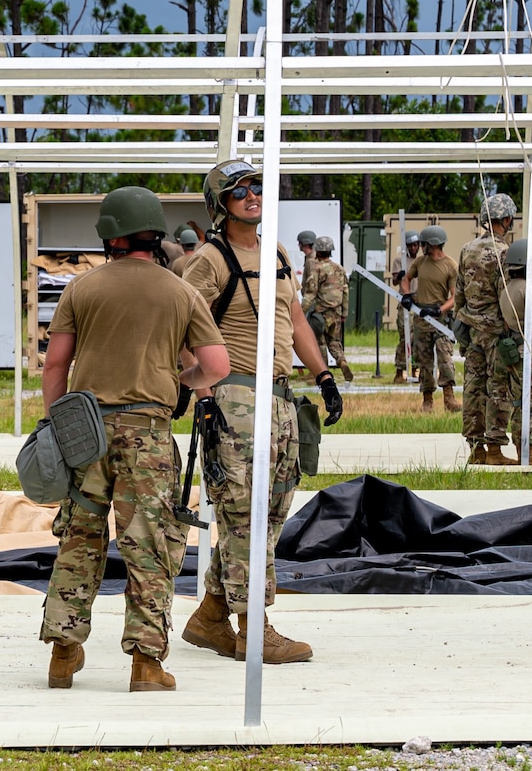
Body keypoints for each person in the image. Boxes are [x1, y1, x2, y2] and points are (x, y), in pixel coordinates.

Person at [39, 186, 230, 693]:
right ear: (156, 234)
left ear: (109, 235)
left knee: (79, 536)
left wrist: (54, 424)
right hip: (148, 433)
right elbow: (216, 367)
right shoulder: (180, 291)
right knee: (149, 546)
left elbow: (56, 364)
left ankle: (63, 652)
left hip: (86, 433)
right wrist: (178, 381)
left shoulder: (81, 289)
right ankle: (146, 664)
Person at [181, 159, 343, 665]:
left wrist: (323, 375)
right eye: (240, 190)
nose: (253, 196)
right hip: (233, 397)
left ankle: (210, 615)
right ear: (219, 204)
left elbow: (293, 318)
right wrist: (200, 392)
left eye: (257, 187)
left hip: (277, 398)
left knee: (270, 514)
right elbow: (182, 324)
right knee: (242, 515)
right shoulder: (209, 260)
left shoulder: (273, 252)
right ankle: (255, 628)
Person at [453, 194, 519, 465]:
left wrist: (462, 322)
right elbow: (506, 296)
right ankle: (493, 449)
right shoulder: (504, 252)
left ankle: (475, 448)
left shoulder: (467, 248)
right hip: (495, 331)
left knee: (473, 388)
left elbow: (459, 290)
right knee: (498, 387)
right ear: (506, 219)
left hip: (471, 328)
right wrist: (513, 329)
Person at [497, 236, 532, 466]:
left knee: (520, 403)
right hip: (531, 351)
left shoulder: (507, 290)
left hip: (513, 351)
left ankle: (522, 450)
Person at [408, 226, 460, 412]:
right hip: (421, 319)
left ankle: (449, 398)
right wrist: (407, 295)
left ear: (433, 244)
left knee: (445, 357)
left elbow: (454, 297)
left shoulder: (451, 266)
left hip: (441, 321)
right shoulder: (420, 263)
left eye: (424, 244)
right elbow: (406, 279)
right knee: (425, 360)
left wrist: (439, 310)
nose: (421, 247)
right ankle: (427, 400)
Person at [303, 236, 355, 383]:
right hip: (336, 313)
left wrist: (300, 312)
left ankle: (322, 375)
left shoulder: (316, 269)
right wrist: (344, 313)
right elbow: (345, 292)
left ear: (317, 251)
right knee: (334, 341)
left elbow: (310, 293)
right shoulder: (339, 269)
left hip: (320, 313)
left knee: (319, 343)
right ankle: (341, 361)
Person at [391, 230, 421, 384]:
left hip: (420, 301)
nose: (413, 248)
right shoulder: (399, 261)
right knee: (405, 337)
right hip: (405, 302)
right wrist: (400, 275)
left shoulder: (423, 261)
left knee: (418, 338)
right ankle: (399, 370)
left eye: (416, 245)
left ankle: (416, 369)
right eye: (410, 245)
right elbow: (395, 282)